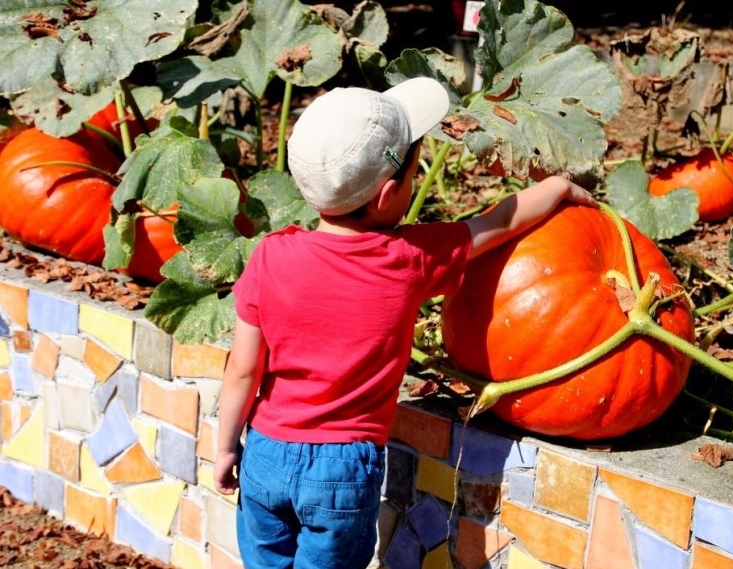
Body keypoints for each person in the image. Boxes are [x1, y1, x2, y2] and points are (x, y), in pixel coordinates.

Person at [213, 76, 598, 569]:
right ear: (387, 194)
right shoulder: (409, 258)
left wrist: (226, 447)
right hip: (342, 468)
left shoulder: (269, 256)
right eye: (415, 174)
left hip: (265, 451)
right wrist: (558, 187)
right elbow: (498, 223)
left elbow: (242, 370)